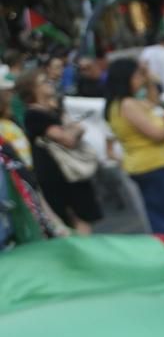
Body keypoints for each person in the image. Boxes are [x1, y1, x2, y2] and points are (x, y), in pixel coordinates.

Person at [103, 58, 164, 234]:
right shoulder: (127, 105)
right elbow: (158, 135)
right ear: (125, 78)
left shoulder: (124, 103)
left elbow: (153, 101)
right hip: (151, 166)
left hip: (149, 165)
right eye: (137, 76)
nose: (140, 80)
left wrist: (148, 77)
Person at [20, 69, 102, 235]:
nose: (49, 83)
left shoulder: (52, 109)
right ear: (32, 89)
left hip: (68, 171)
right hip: (58, 173)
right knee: (77, 219)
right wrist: (76, 130)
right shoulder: (34, 115)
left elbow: (70, 131)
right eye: (43, 81)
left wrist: (72, 129)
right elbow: (67, 139)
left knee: (82, 219)